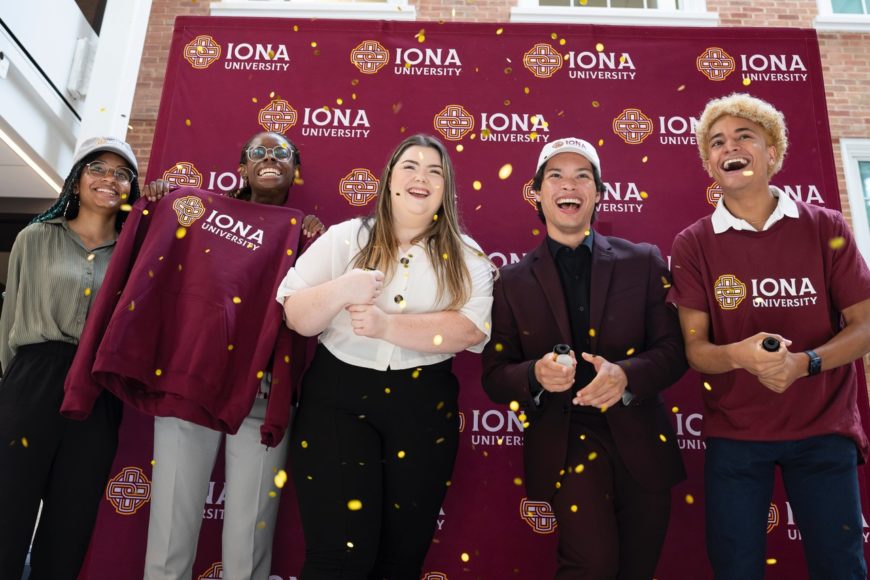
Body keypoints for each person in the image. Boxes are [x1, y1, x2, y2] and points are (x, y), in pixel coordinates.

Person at [668, 93, 870, 580]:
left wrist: (806, 363)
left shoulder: (826, 225)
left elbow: (865, 324)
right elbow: (696, 351)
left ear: (773, 152)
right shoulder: (692, 242)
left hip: (823, 431)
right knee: (736, 569)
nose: (729, 147)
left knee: (841, 568)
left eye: (744, 137)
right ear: (709, 165)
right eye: (716, 142)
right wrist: (738, 356)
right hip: (736, 438)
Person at [277, 133, 494, 579]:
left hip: (422, 407)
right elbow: (297, 315)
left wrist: (387, 326)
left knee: (401, 558)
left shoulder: (467, 256)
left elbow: (470, 329)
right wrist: (342, 288)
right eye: (410, 166)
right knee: (339, 556)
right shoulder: (345, 238)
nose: (422, 177)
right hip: (337, 400)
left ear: (446, 188)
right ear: (390, 178)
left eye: (435, 171)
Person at [482, 137, 687, 580]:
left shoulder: (644, 261)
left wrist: (625, 376)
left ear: (598, 192)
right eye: (555, 175)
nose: (568, 185)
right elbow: (495, 376)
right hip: (564, 441)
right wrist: (534, 376)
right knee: (590, 566)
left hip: (642, 442)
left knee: (637, 569)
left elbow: (673, 353)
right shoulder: (512, 281)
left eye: (582, 176)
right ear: (537, 192)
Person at [140, 131, 323, 580]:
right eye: (257, 151)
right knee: (169, 532)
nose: (269, 158)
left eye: (281, 152)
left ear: (294, 169)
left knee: (249, 537)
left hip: (260, 395)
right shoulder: (199, 211)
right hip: (190, 386)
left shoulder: (306, 233)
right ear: (241, 167)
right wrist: (164, 199)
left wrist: (313, 243)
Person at [0, 137, 141, 579]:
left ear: (129, 189)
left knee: (72, 517)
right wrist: (17, 389)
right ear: (77, 180)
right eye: (97, 168)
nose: (108, 179)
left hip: (98, 389)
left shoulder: (133, 256)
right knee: (8, 508)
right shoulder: (35, 237)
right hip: (33, 380)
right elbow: (10, 322)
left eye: (121, 173)